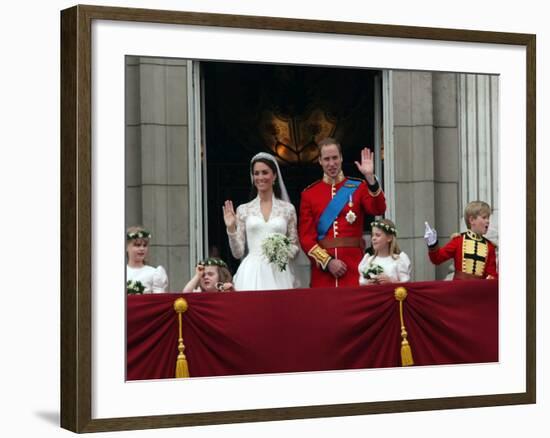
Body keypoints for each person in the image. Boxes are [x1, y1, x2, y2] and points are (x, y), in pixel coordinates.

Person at [299, 137, 386, 288]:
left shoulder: (358, 187)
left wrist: (370, 178)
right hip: (324, 273)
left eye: (335, 158)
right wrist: (327, 261)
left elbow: (378, 209)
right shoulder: (309, 194)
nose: (331, 163)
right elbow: (306, 238)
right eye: (326, 159)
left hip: (354, 267)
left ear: (341, 158)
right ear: (319, 161)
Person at [223, 152, 300, 291]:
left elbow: (295, 246)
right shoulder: (244, 209)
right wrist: (231, 228)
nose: (260, 177)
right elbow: (238, 252)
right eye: (256, 173)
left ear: (274, 175)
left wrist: (281, 252)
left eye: (265, 172)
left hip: (279, 272)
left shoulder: (288, 209)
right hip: (251, 272)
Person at [424, 200, 498, 280]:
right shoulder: (458, 241)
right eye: (484, 217)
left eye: (488, 218)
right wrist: (432, 243)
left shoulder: (490, 247)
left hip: (479, 291)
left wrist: (491, 278)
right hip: (459, 290)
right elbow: (437, 259)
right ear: (472, 220)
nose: (488, 221)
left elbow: (492, 274)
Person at [358, 219, 411, 285]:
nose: (373, 238)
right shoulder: (369, 261)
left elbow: (407, 285)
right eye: (372, 235)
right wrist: (368, 283)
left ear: (389, 238)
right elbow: (362, 284)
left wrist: (391, 282)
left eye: (377, 235)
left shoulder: (398, 260)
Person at [126, 226, 168, 293]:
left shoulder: (154, 273)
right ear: (126, 247)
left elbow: (159, 299)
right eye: (137, 245)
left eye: (145, 245)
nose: (142, 248)